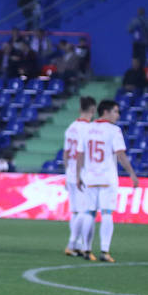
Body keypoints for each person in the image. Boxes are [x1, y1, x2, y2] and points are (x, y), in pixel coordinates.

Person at [75, 100, 140, 263]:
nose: (118, 115)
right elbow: (120, 155)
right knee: (106, 213)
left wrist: (78, 175)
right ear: (106, 112)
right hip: (107, 177)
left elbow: (80, 154)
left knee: (89, 213)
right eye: (115, 111)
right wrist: (131, 173)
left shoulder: (87, 129)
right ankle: (104, 250)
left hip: (89, 177)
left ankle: (86, 249)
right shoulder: (114, 130)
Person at [62, 97, 96, 258]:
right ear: (93, 110)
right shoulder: (89, 129)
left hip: (70, 172)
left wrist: (67, 171)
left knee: (75, 212)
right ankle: (75, 244)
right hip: (82, 173)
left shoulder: (71, 127)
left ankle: (74, 245)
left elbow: (66, 153)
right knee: (84, 211)